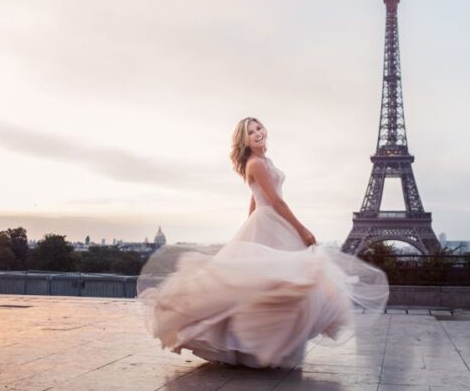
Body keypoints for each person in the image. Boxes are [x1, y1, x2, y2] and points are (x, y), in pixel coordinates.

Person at [136, 117, 389, 368]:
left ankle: (264, 345)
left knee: (273, 283)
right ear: (244, 140)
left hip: (269, 221)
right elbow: (276, 202)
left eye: (259, 127)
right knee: (281, 280)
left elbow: (255, 199)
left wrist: (248, 231)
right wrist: (301, 229)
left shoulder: (264, 162)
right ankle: (257, 343)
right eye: (251, 132)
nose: (258, 133)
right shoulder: (256, 163)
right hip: (273, 219)